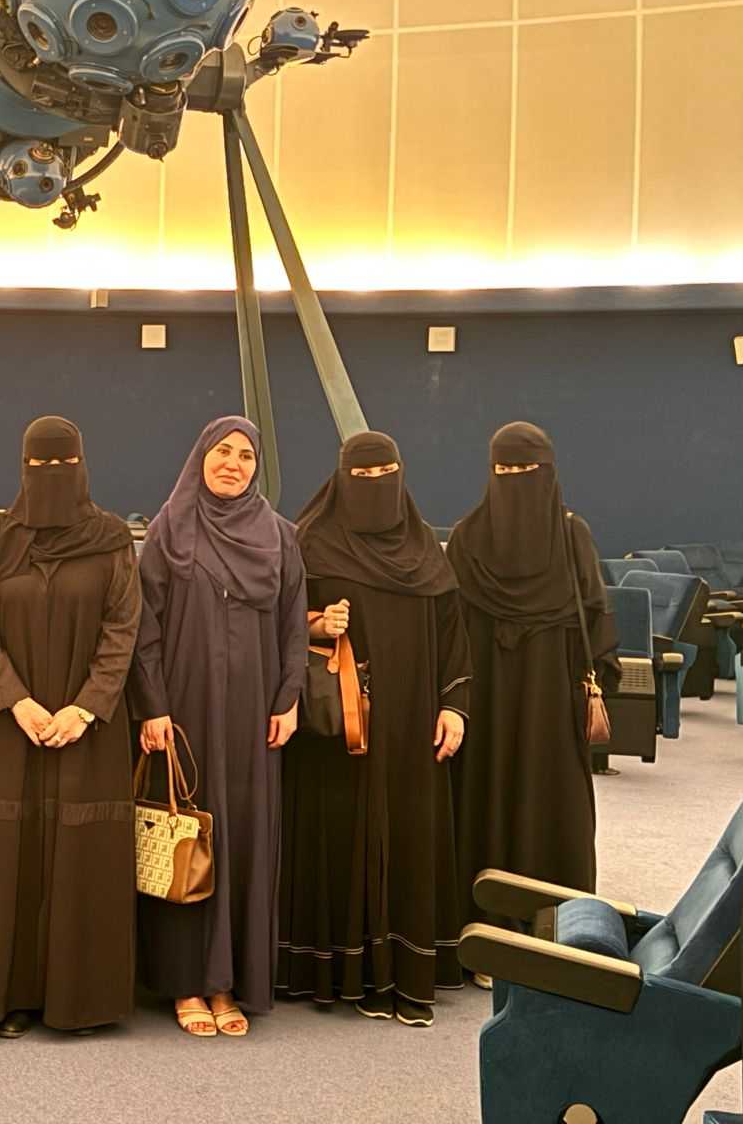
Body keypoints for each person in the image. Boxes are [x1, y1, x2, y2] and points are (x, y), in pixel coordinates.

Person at [0, 416, 141, 1039]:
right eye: (40, 464)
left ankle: (79, 999)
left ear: (82, 466)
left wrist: (84, 708)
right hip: (10, 725)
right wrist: (16, 701)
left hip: (88, 727)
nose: (52, 475)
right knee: (9, 857)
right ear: (23, 467)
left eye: (63, 464)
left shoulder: (111, 538)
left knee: (80, 857)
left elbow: (123, 628)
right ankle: (7, 996)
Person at [276, 431, 470, 1027]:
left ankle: (404, 974)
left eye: (384, 473)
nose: (373, 485)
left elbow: (453, 637)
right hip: (339, 730)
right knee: (337, 835)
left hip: (413, 723)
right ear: (341, 479)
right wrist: (316, 623)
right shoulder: (311, 541)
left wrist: (454, 706)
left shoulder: (425, 548)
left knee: (407, 834)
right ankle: (333, 973)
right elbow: (276, 622)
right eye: (360, 476)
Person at [129, 416, 306, 1038]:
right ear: (200, 457)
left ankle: (230, 983)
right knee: (191, 840)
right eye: (222, 452)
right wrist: (152, 706)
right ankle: (188, 983)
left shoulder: (280, 536)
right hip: (187, 710)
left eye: (246, 456)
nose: (233, 463)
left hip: (255, 716)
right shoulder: (168, 529)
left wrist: (289, 699)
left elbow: (294, 625)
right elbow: (143, 628)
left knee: (244, 838)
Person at [447, 424, 618, 973]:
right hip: (487, 702)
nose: (515, 480)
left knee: (549, 805)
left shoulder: (571, 536)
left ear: (549, 472)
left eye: (527, 470)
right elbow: (449, 628)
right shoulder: (469, 538)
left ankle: (555, 938)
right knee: (486, 800)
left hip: (552, 701)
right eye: (504, 470)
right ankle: (482, 934)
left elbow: (597, 619)